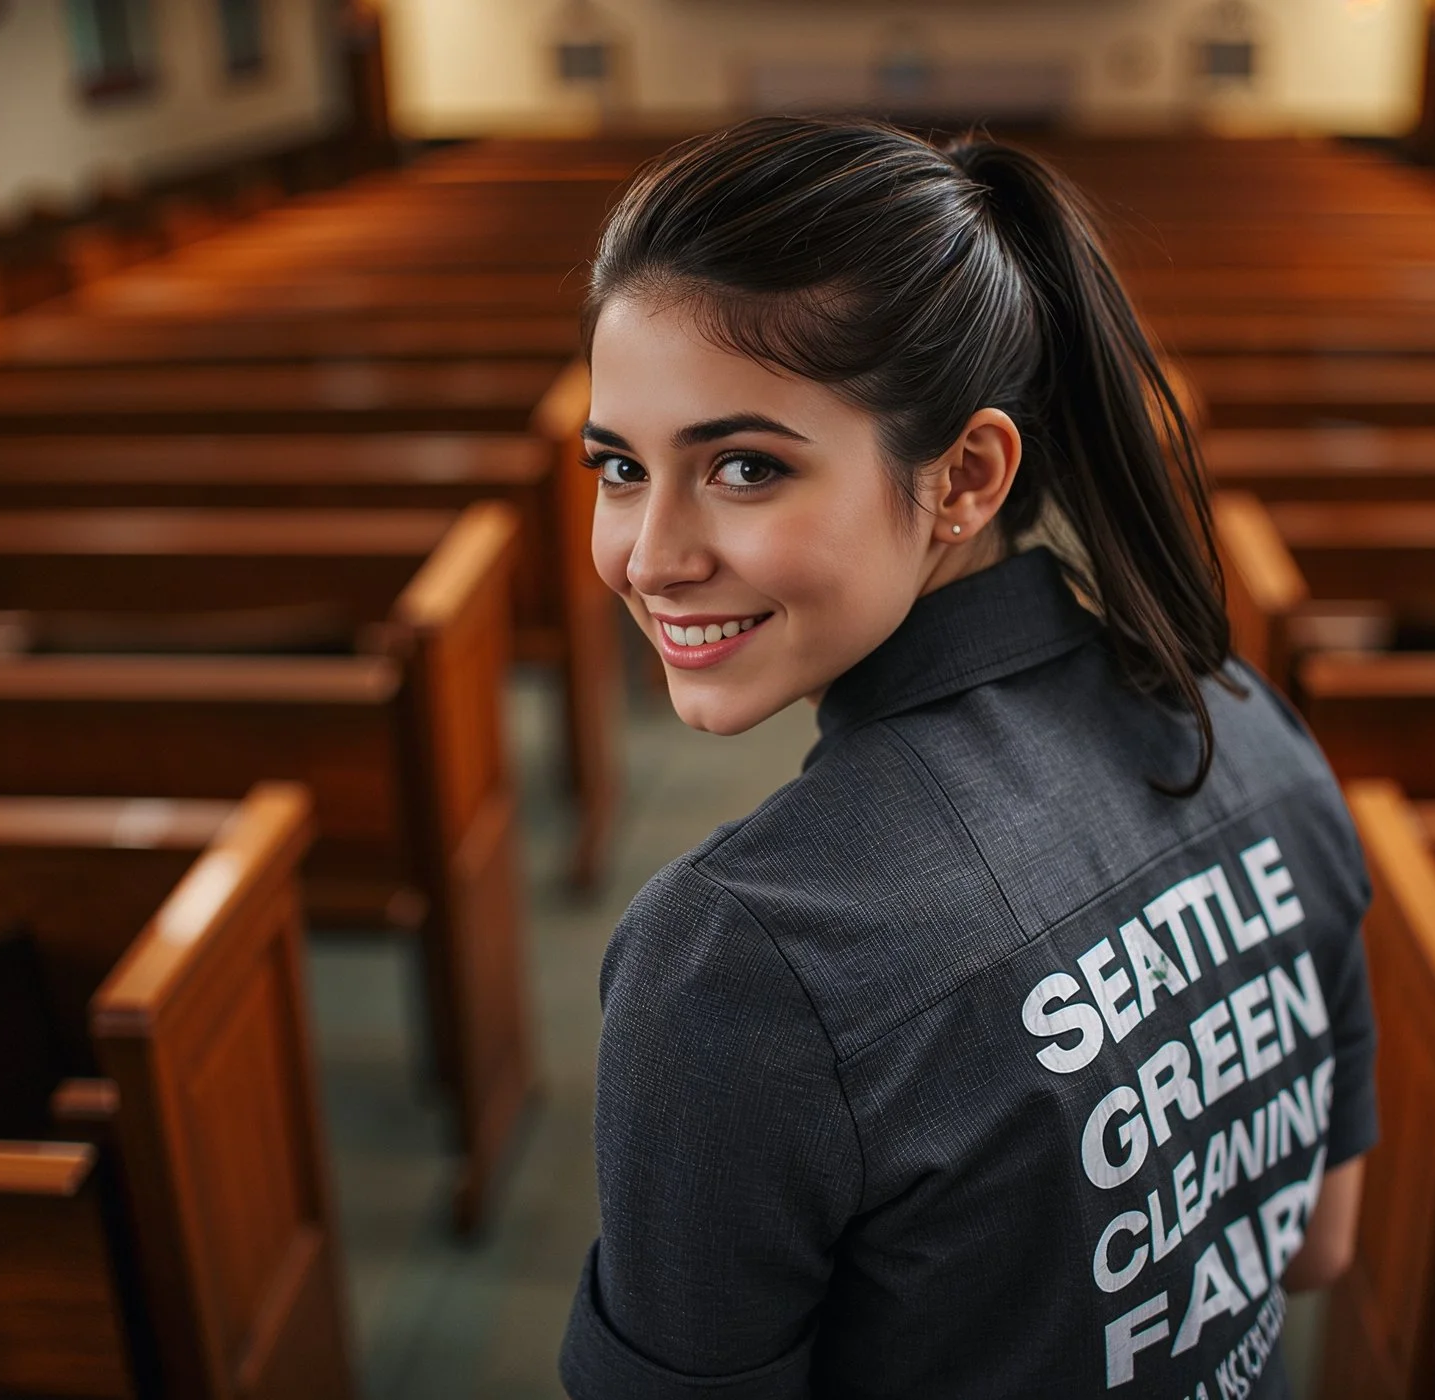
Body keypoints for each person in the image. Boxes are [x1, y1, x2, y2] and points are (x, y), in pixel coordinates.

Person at [561, 116, 1375, 1400]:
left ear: (964, 477)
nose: (649, 555)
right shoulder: (1246, 718)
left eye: (742, 465)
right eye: (617, 465)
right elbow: (1317, 1242)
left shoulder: (741, 958)